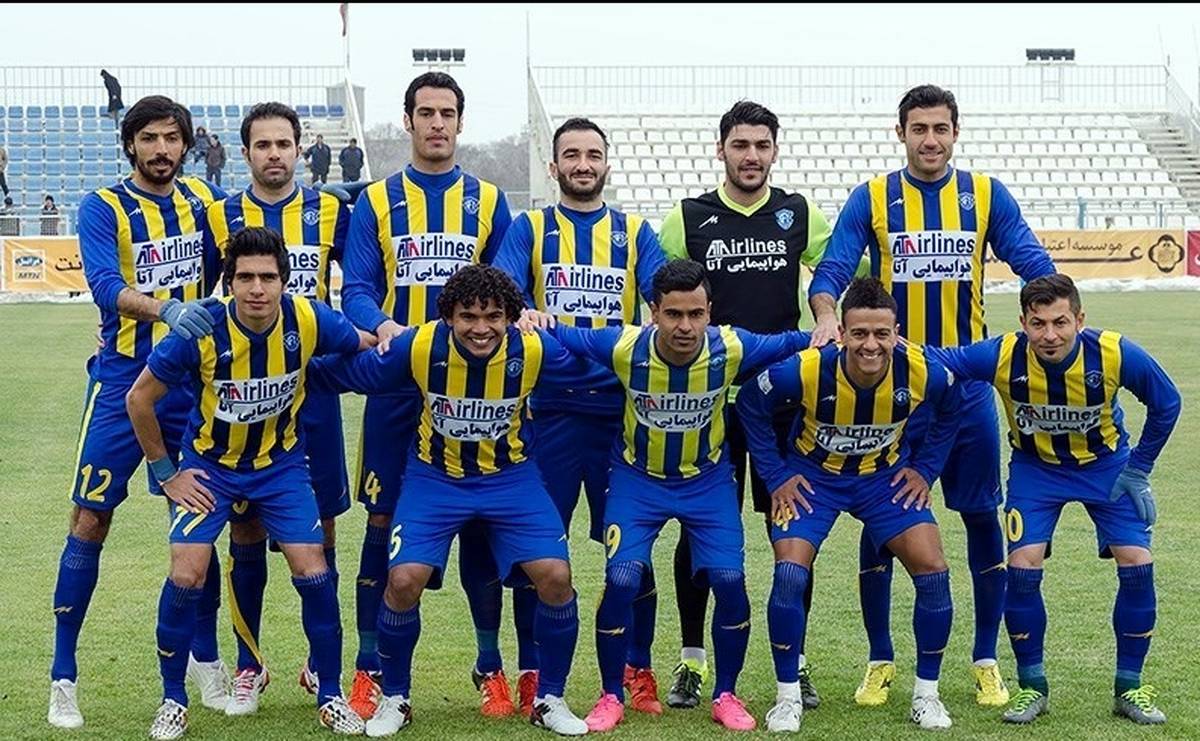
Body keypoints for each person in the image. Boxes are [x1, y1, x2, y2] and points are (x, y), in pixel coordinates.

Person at [807, 84, 1056, 707]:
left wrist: (1056, 310)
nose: (930, 140)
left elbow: (1032, 260)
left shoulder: (986, 194)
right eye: (918, 128)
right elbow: (833, 269)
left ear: (955, 131)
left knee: (980, 517)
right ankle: (880, 658)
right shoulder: (872, 198)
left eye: (940, 128)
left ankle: (985, 657)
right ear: (901, 133)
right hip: (893, 394)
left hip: (965, 392)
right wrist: (826, 314)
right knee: (882, 520)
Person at [306, 264, 593, 736]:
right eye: (468, 317)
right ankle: (395, 698)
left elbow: (592, 371)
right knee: (403, 580)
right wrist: (289, 366)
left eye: (493, 316)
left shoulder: (533, 349)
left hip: (510, 479)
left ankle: (550, 699)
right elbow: (359, 374)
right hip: (435, 479)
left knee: (556, 577)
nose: (481, 328)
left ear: (510, 317)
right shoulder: (421, 346)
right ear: (448, 317)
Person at [530, 259, 813, 733]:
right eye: (674, 314)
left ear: (710, 312)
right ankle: (611, 694)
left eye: (696, 314)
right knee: (622, 579)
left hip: (706, 482)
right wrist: (535, 318)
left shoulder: (731, 347)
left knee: (729, 581)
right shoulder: (624, 347)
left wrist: (829, 331)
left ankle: (726, 694)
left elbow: (791, 342)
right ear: (653, 312)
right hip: (637, 481)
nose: (685, 326)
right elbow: (566, 336)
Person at [125, 227, 373, 739]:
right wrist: (167, 474)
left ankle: (330, 694)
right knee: (187, 573)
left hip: (280, 467)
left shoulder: (309, 318)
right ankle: (172, 700)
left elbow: (363, 345)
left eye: (267, 277)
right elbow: (139, 398)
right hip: (210, 468)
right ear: (229, 283)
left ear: (284, 281)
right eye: (245, 278)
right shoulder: (201, 331)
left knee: (313, 568)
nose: (257, 288)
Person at [48, 95, 229, 730]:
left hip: (190, 383)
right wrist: (165, 309)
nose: (161, 149)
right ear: (130, 144)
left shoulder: (203, 201)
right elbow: (103, 284)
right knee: (90, 518)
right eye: (149, 138)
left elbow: (248, 243)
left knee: (198, 517)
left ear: (186, 144)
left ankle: (206, 660)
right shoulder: (103, 206)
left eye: (171, 138)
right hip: (123, 378)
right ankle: (63, 675)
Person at [926, 274, 1180, 726]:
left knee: (1137, 560)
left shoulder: (1114, 352)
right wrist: (879, 347)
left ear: (1079, 319)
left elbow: (1168, 402)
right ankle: (1032, 686)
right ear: (1023, 322)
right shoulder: (1002, 354)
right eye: (1038, 323)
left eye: (1060, 322)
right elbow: (939, 360)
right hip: (1036, 470)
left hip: (1107, 468)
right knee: (1022, 564)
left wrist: (1139, 468)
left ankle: (1130, 686)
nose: (1049, 335)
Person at [340, 71, 513, 720]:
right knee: (380, 525)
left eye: (447, 113)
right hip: (399, 388)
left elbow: (509, 289)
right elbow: (357, 287)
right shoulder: (376, 201)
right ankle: (369, 668)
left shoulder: (490, 201)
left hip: (474, 390)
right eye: (426, 112)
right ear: (408, 120)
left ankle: (490, 665)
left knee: (481, 526)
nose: (437, 123)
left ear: (460, 122)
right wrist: (384, 326)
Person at [656, 100, 834, 710]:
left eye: (761, 145)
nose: (751, 156)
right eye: (740, 144)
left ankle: (796, 661)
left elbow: (837, 267)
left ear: (775, 150)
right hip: (709, 403)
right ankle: (691, 660)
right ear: (721, 150)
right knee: (701, 530)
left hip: (785, 401)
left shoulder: (798, 213)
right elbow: (655, 289)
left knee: (792, 528)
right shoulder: (687, 218)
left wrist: (826, 310)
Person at [493, 116, 667, 716]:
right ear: (554, 166)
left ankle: (637, 668)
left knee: (631, 552)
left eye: (593, 154)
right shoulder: (530, 228)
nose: (583, 164)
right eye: (572, 155)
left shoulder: (635, 232)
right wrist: (523, 310)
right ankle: (531, 669)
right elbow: (505, 294)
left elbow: (665, 301)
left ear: (607, 164)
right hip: (549, 415)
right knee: (536, 548)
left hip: (619, 416)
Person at [738, 277, 963, 731]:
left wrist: (925, 470)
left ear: (897, 333)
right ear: (841, 333)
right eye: (859, 333)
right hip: (814, 480)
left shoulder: (925, 371)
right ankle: (787, 698)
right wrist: (777, 476)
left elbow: (953, 406)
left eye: (881, 333)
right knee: (789, 573)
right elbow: (749, 404)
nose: (870, 345)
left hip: (883, 480)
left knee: (934, 570)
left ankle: (927, 695)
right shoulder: (804, 369)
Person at [204, 102, 353, 716]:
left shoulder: (332, 210)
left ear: (299, 149)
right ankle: (249, 664)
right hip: (246, 397)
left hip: (312, 388)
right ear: (245, 153)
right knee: (246, 526)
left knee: (323, 525)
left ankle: (321, 666)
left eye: (283, 144)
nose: (273, 154)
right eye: (262, 145)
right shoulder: (219, 214)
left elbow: (360, 284)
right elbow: (201, 297)